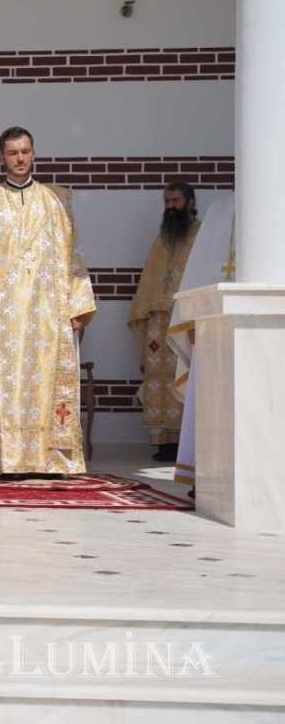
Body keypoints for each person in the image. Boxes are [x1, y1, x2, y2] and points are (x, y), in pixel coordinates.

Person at [0, 126, 96, 480]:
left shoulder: (54, 202)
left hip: (51, 311)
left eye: (26, 151)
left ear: (34, 154)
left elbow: (72, 254)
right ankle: (12, 462)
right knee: (9, 385)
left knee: (50, 383)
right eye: (13, 153)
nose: (20, 159)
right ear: (1, 157)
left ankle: (55, 461)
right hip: (6, 312)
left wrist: (78, 303)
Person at [166, 191, 236, 496]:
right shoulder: (222, 208)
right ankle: (205, 474)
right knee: (211, 400)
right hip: (212, 327)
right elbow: (200, 271)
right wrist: (191, 319)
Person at [127, 182, 201, 463]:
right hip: (157, 323)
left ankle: (185, 443)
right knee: (157, 382)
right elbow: (149, 278)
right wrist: (144, 313)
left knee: (182, 375)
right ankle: (164, 443)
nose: (170, 206)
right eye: (167, 201)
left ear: (190, 203)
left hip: (184, 318)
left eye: (176, 200)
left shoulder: (201, 236)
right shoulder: (161, 239)